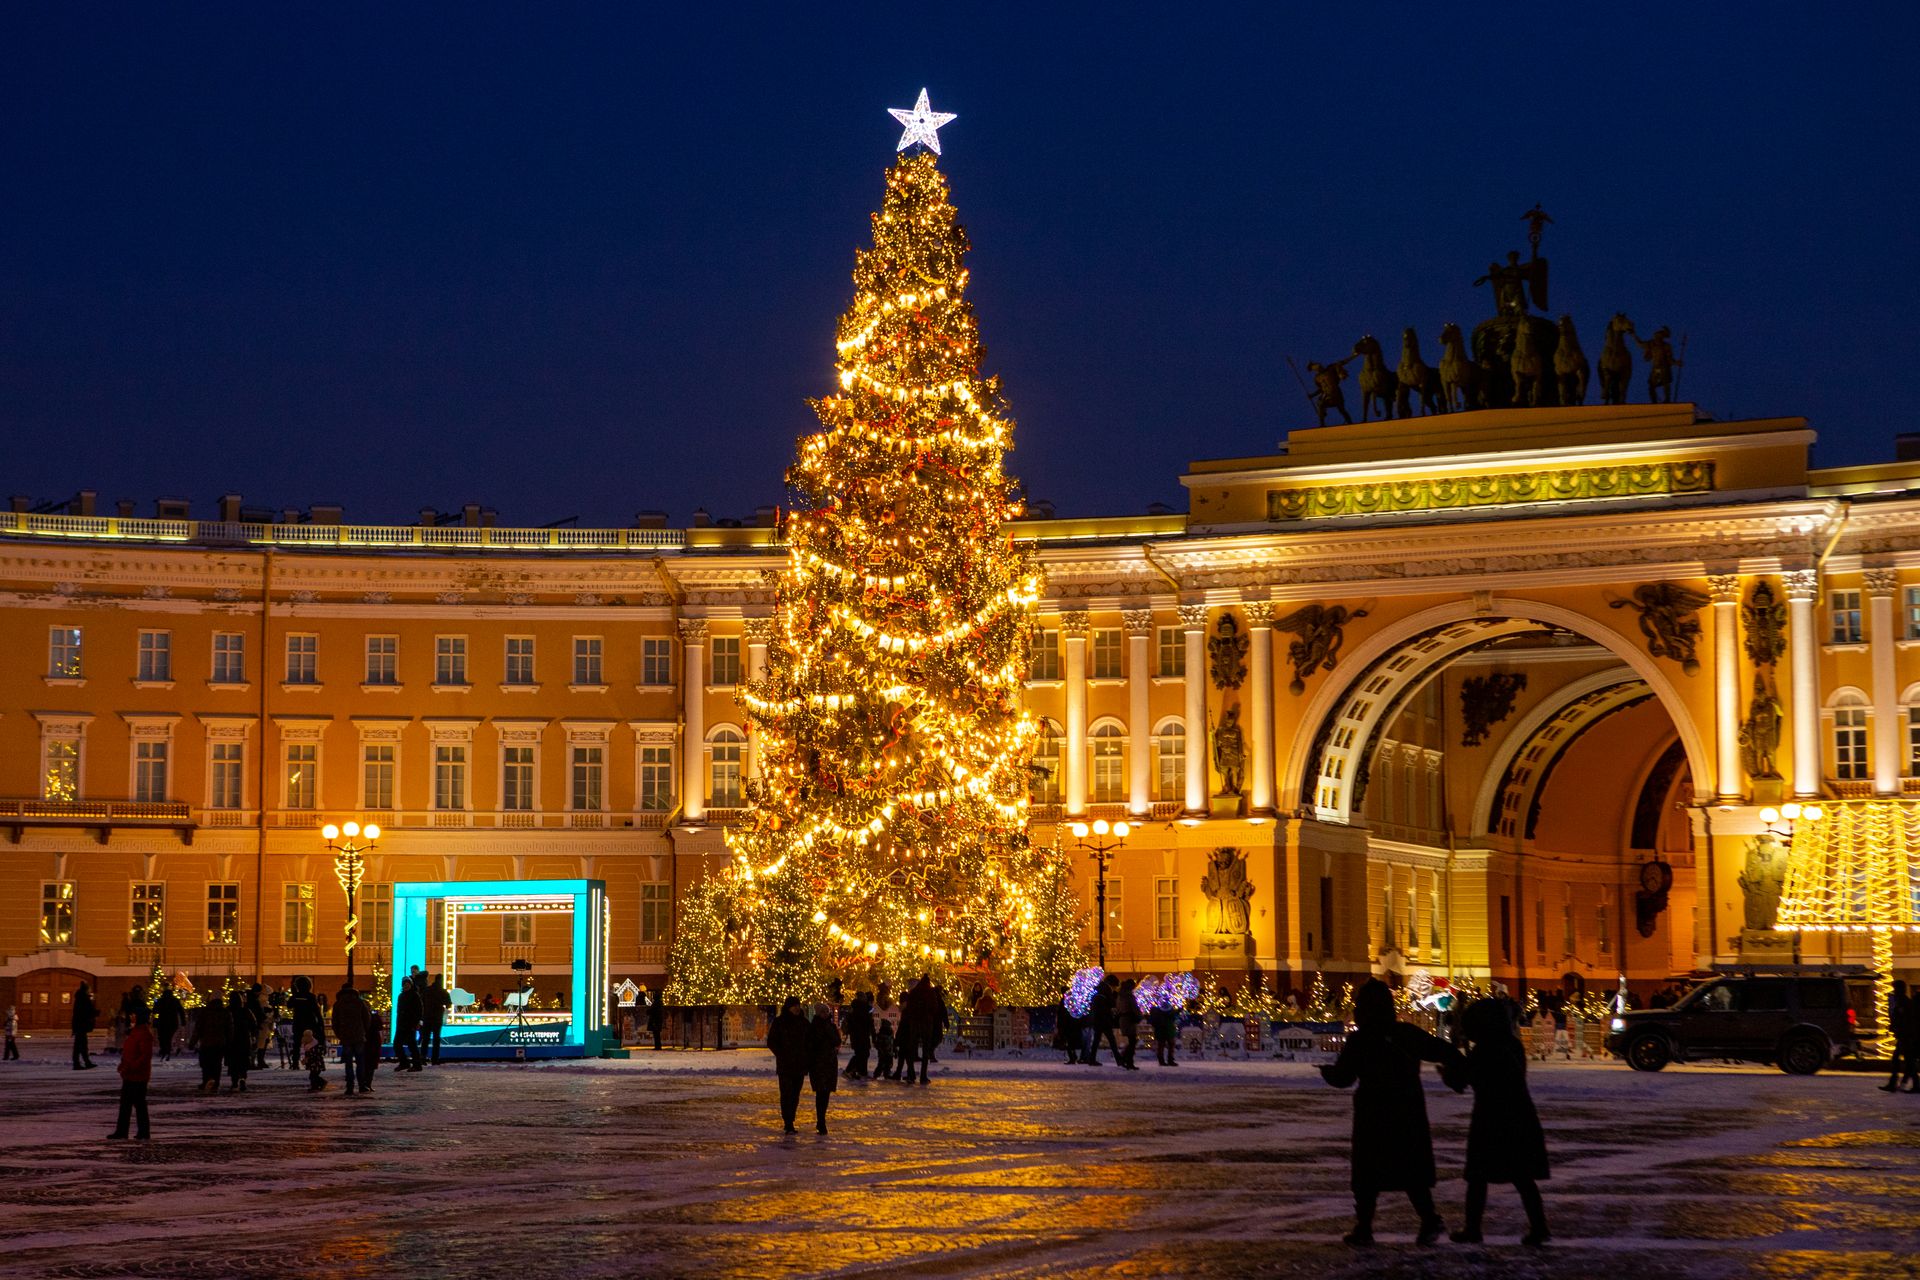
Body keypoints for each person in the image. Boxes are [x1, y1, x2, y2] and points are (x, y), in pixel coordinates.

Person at [1320, 978, 1464, 1247]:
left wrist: (1328, 1074)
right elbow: (1443, 1050)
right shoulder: (1406, 1034)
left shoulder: (1360, 1040)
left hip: (1373, 1113)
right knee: (1411, 1171)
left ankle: (1364, 1227)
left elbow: (1344, 1078)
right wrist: (1460, 1071)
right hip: (1406, 1111)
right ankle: (1429, 1219)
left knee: (1367, 1174)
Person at [1448, 998, 1550, 1246]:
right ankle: (1539, 1227)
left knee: (1478, 1176)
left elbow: (1462, 1081)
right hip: (1520, 1115)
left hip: (1491, 1118)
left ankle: (1473, 1229)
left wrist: (1451, 1070)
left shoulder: (1485, 1049)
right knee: (1523, 1177)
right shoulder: (1511, 1045)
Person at [767, 997, 812, 1134]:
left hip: (799, 1065)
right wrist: (781, 1054)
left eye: (798, 1005)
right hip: (786, 1065)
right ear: (788, 1007)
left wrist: (806, 1056)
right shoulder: (780, 1022)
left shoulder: (804, 1023)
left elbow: (810, 1042)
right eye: (794, 1006)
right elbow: (772, 1041)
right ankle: (788, 1121)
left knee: (795, 1094)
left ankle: (790, 1119)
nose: (797, 1008)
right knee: (787, 1094)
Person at [110, 1007, 156, 1140]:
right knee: (126, 1104)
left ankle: (142, 1132)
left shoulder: (143, 1034)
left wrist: (132, 1066)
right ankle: (122, 1131)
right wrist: (124, 1064)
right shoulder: (135, 1032)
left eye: (134, 1015)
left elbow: (145, 1055)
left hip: (138, 1075)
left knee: (139, 1104)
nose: (131, 1018)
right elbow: (129, 1052)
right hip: (130, 1073)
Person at [806, 1003, 843, 1134]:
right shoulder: (814, 1027)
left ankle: (821, 1119)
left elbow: (837, 1041)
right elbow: (812, 1044)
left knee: (825, 1093)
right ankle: (821, 1120)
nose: (825, 1014)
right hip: (818, 1064)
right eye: (822, 1012)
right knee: (821, 1092)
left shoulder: (831, 1026)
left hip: (829, 1063)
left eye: (826, 1012)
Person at [902, 975, 945, 1085]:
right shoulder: (930, 993)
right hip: (926, 1024)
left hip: (915, 1023)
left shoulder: (915, 992)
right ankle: (923, 1076)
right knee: (925, 1050)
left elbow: (909, 1007)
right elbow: (935, 1008)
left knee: (912, 1048)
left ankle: (911, 1074)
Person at [331, 983, 370, 1095]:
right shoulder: (359, 1002)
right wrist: (363, 1031)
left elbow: (335, 1022)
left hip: (346, 1037)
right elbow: (366, 1019)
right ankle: (362, 1085)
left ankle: (350, 1086)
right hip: (358, 1036)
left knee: (348, 1063)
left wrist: (340, 1034)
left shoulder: (338, 1004)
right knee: (360, 1062)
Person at [188, 993, 230, 1093]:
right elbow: (229, 1029)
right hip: (220, 1042)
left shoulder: (205, 1012)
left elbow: (198, 1029)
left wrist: (192, 1042)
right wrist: (228, 1041)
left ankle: (206, 1080)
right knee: (217, 1063)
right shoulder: (225, 1013)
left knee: (206, 1063)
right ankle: (216, 1082)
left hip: (206, 1042)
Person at [1884, 980, 1917, 1093]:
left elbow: (1906, 1020)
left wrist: (1898, 1028)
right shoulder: (1902, 1001)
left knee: (1908, 1061)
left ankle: (1913, 1084)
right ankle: (1894, 1083)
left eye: (1896, 988)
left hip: (1906, 1036)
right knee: (1904, 1061)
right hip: (1904, 1035)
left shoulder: (1904, 1002)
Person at [288, 976, 324, 1070]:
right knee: (310, 1043)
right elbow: (316, 1011)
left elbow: (289, 1005)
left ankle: (295, 1063)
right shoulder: (311, 996)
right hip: (309, 1022)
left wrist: (295, 995)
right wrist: (320, 1022)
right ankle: (310, 1062)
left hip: (298, 1022)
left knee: (297, 1043)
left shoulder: (295, 996)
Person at [224, 990, 256, 1093]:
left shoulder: (228, 1011)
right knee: (243, 1060)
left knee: (233, 1062)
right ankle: (242, 1078)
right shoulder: (245, 1011)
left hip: (232, 1039)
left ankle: (234, 1081)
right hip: (244, 1039)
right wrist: (253, 1034)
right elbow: (253, 1023)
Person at [1088, 975, 1120, 1067]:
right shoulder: (1106, 991)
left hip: (1097, 1018)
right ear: (1111, 984)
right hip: (1104, 1019)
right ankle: (1118, 1060)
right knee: (1111, 1040)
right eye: (1114, 986)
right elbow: (1111, 1003)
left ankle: (1092, 1059)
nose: (1114, 988)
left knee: (1096, 1040)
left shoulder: (1098, 990)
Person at [393, 975, 423, 1072]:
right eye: (405, 984)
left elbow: (419, 1010)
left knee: (411, 1045)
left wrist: (417, 1022)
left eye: (408, 984)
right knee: (397, 1044)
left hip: (410, 1024)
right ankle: (404, 1062)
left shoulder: (414, 995)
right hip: (402, 1024)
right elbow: (399, 1010)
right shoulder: (401, 996)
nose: (406, 986)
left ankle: (416, 1064)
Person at [843, 990, 874, 1080]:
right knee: (861, 1054)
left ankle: (860, 1072)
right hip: (860, 1035)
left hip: (858, 1035)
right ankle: (850, 1070)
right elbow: (867, 1023)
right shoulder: (863, 1009)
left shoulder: (856, 1008)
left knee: (863, 1054)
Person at [874, 983, 901, 1079]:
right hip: (886, 1027)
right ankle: (884, 1071)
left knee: (883, 1054)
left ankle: (881, 1071)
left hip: (884, 1029)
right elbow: (885, 1008)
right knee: (887, 1054)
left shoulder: (880, 997)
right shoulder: (884, 998)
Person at [423, 975, 451, 1065]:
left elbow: (422, 1001)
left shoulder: (427, 990)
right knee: (436, 1038)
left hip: (427, 1017)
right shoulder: (443, 992)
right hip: (437, 1017)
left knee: (425, 1038)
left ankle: (422, 1057)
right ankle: (434, 1059)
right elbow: (448, 1004)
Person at [71, 981, 98, 1070]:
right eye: (89, 989)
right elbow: (86, 1012)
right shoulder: (84, 999)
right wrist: (95, 1013)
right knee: (80, 1045)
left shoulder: (80, 998)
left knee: (81, 1045)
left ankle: (85, 1062)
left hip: (79, 1025)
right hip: (81, 1025)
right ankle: (78, 1063)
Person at [1116, 979, 1142, 1070]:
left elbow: (1118, 1008)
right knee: (1132, 1041)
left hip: (1123, 1019)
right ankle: (1127, 1060)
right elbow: (1134, 1008)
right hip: (1129, 1020)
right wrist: (1139, 1016)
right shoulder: (1129, 996)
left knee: (1132, 1041)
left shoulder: (1120, 996)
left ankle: (1125, 1059)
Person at [154, 987, 184, 1062]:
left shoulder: (160, 1001)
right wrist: (183, 1021)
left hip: (162, 1022)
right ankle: (167, 1051)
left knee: (162, 1038)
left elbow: (155, 1011)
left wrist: (155, 1021)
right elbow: (181, 1011)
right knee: (168, 1038)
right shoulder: (175, 1001)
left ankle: (164, 1051)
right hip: (172, 1023)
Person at [1150, 996, 1180, 1067]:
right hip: (1169, 1031)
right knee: (1170, 1045)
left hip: (1161, 1031)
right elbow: (1174, 1018)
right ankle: (1170, 1060)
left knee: (1161, 1046)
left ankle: (1162, 1060)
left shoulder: (1157, 1012)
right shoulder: (1171, 1012)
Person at [1056, 990, 1082, 1065]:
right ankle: (1073, 1056)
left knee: (1068, 1042)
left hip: (1066, 1025)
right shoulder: (1073, 1002)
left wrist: (1059, 1025)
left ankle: (1072, 1057)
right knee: (1071, 1042)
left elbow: (1060, 1014)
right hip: (1072, 1024)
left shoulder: (1064, 1002)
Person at [646, 987, 665, 1051]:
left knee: (656, 1034)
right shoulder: (659, 1003)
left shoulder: (656, 1003)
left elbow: (653, 1011)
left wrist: (648, 1011)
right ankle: (658, 1046)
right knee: (657, 1034)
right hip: (658, 1020)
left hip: (655, 1020)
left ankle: (657, 1046)